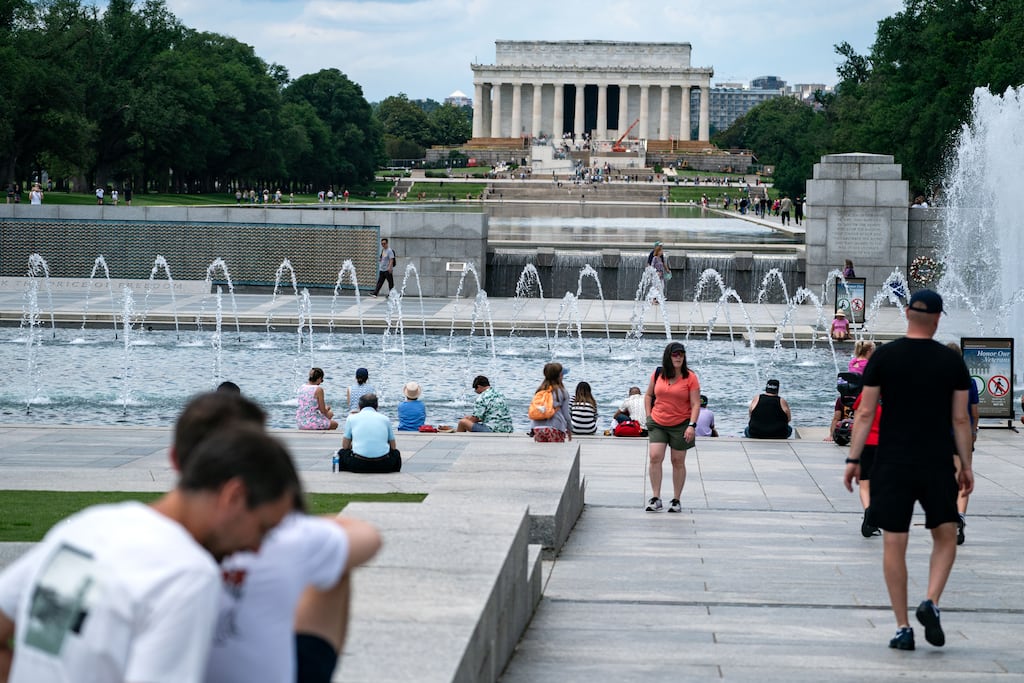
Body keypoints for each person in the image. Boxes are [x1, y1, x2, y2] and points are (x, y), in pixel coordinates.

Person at [0, 408, 300, 682]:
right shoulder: (186, 574)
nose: (257, 548)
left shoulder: (87, 525)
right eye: (263, 528)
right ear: (234, 496)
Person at [170, 392, 381, 683]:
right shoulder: (289, 540)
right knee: (332, 562)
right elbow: (368, 538)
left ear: (175, 459)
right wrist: (286, 524)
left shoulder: (136, 542)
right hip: (282, 662)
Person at [843, 289, 973, 651]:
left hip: (892, 462)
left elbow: (865, 413)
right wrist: (966, 464)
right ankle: (930, 601)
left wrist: (854, 460)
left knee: (894, 542)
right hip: (935, 459)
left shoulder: (884, 356)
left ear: (906, 314)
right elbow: (960, 418)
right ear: (937, 318)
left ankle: (902, 626)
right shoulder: (951, 363)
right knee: (945, 535)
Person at [643, 341, 700, 513]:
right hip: (658, 422)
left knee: (677, 461)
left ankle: (676, 499)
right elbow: (648, 395)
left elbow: (696, 404)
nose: (678, 357)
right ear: (668, 356)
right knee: (655, 456)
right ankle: (656, 497)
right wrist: (648, 416)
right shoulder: (658, 374)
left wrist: (691, 425)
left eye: (681, 354)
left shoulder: (690, 377)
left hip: (681, 424)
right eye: (675, 354)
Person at [946, 343, 978, 546]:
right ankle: (960, 515)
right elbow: (974, 413)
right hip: (963, 436)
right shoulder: (970, 382)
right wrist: (973, 433)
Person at [337, 393, 402, 473]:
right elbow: (393, 446)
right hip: (383, 465)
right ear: (377, 406)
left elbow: (345, 446)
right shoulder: (385, 419)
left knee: (342, 452)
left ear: (359, 406)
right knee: (396, 453)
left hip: (358, 464)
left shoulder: (351, 418)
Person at [851, 391, 883, 537]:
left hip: (865, 443)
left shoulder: (865, 394)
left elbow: (858, 417)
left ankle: (868, 512)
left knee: (865, 484)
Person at [529, 363, 572, 442]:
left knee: (542, 452)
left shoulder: (539, 390)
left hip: (537, 428)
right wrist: (569, 429)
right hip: (555, 427)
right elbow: (566, 414)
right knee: (556, 452)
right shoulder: (562, 392)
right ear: (559, 376)